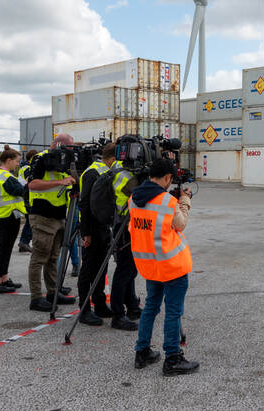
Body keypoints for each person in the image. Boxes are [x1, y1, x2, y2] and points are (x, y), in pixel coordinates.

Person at [130, 158, 199, 376]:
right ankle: (172, 358)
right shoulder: (167, 201)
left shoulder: (134, 198)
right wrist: (185, 200)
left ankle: (142, 351)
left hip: (151, 264)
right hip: (171, 265)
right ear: (168, 178)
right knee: (173, 312)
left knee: (151, 307)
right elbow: (181, 224)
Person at [26, 135, 77, 312]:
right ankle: (36, 298)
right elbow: (32, 184)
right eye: (69, 147)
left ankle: (53, 292)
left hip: (58, 215)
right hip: (42, 215)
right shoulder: (42, 159)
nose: (71, 151)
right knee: (39, 257)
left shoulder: (63, 160)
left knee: (53, 257)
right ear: (59, 145)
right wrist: (60, 182)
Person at [76, 143, 116, 326]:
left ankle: (99, 303)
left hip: (103, 226)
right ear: (112, 158)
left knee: (102, 267)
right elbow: (84, 204)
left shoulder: (104, 171)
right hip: (92, 227)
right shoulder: (93, 173)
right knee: (89, 269)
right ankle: (84, 310)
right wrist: (86, 233)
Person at [109, 157, 142, 331]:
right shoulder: (124, 174)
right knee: (124, 270)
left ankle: (132, 308)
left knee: (131, 269)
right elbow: (139, 194)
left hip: (130, 225)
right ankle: (117, 315)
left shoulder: (125, 170)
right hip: (123, 226)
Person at [0, 149, 26, 294]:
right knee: (4, 249)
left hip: (4, 215)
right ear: (9, 160)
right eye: (16, 161)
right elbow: (19, 190)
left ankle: (4, 278)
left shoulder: (1, 174)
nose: (17, 164)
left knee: (6, 248)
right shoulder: (5, 176)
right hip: (8, 216)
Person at [17, 149, 38, 253]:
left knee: (29, 220)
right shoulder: (28, 168)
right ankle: (24, 241)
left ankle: (23, 243)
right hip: (28, 196)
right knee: (30, 221)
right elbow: (28, 181)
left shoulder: (23, 167)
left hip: (24, 196)